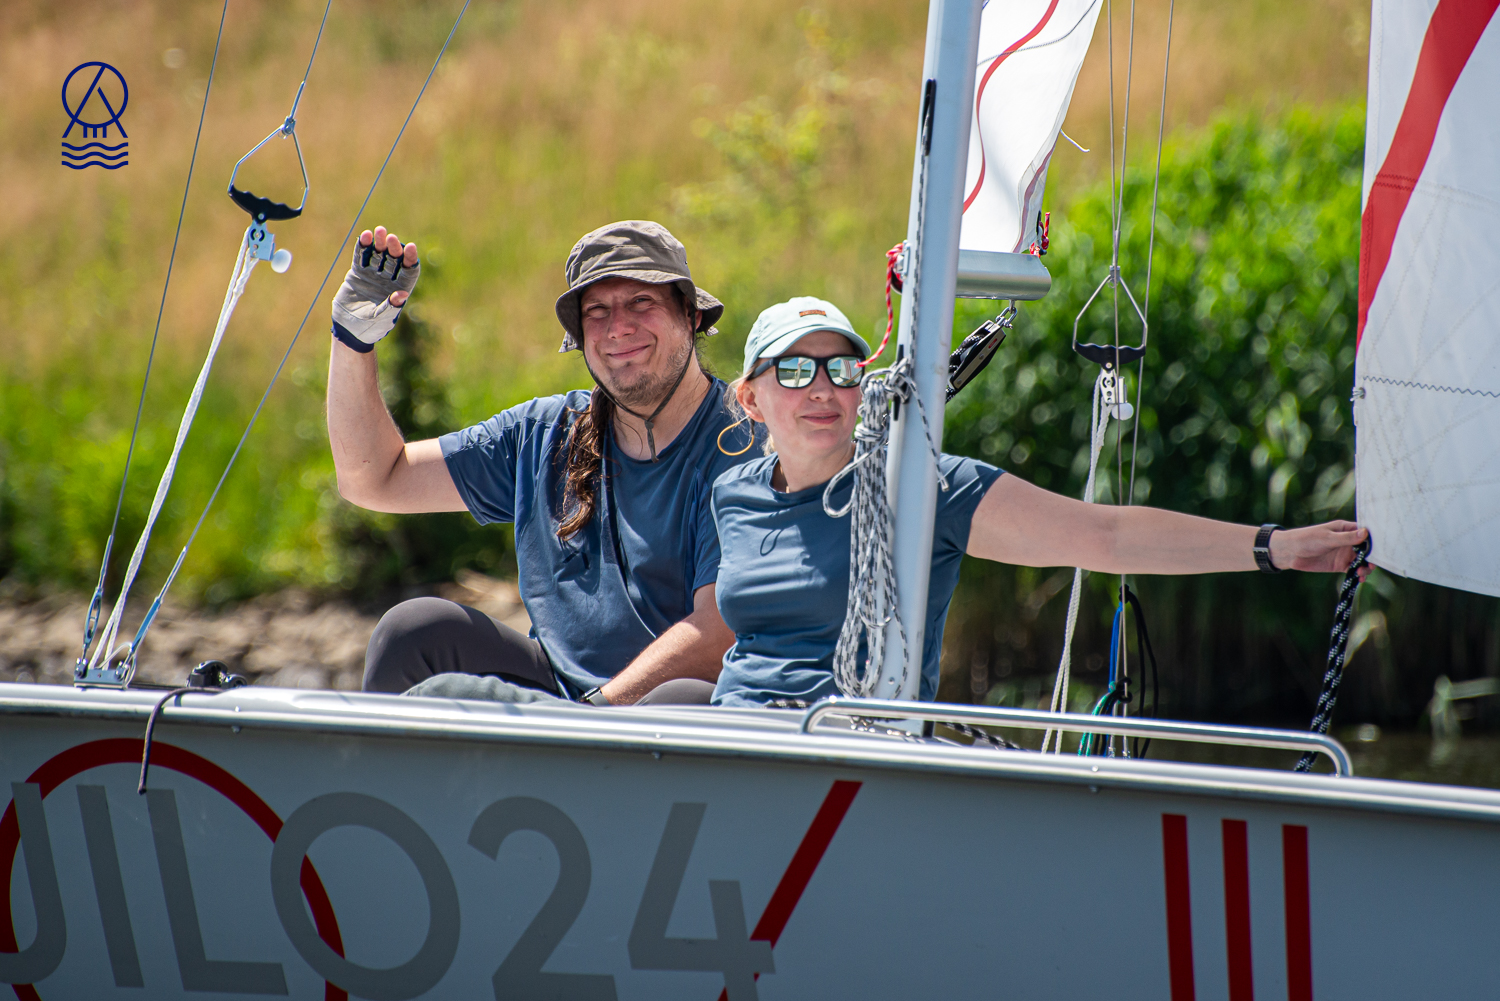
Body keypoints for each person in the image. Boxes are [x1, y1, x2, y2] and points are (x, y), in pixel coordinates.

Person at [704, 296, 1370, 707]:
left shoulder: (923, 488)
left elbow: (1105, 537)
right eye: (795, 370)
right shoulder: (733, 494)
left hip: (839, 743)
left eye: (842, 368)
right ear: (751, 398)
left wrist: (1274, 547)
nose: (822, 387)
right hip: (733, 734)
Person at [325, 220, 764, 706]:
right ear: (578, 334)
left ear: (691, 315)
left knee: (681, 697)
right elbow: (374, 479)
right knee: (413, 630)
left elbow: (720, 632)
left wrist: (586, 720)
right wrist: (353, 342)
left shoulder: (747, 445)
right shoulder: (543, 432)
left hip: (659, 718)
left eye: (642, 302)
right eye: (596, 311)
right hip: (561, 701)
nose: (618, 327)